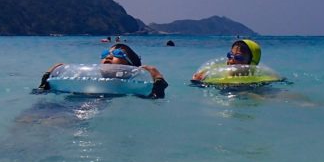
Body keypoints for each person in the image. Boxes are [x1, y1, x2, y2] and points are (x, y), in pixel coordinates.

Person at [37, 43, 168, 98]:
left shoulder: (131, 89)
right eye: (105, 53)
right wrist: (47, 78)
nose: (108, 56)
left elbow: (155, 99)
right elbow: (41, 93)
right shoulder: (81, 79)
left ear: (130, 66)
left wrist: (158, 80)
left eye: (117, 53)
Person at [192, 38, 261, 81]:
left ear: (251, 62)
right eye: (230, 55)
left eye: (238, 57)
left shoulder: (254, 84)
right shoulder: (220, 76)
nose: (231, 61)